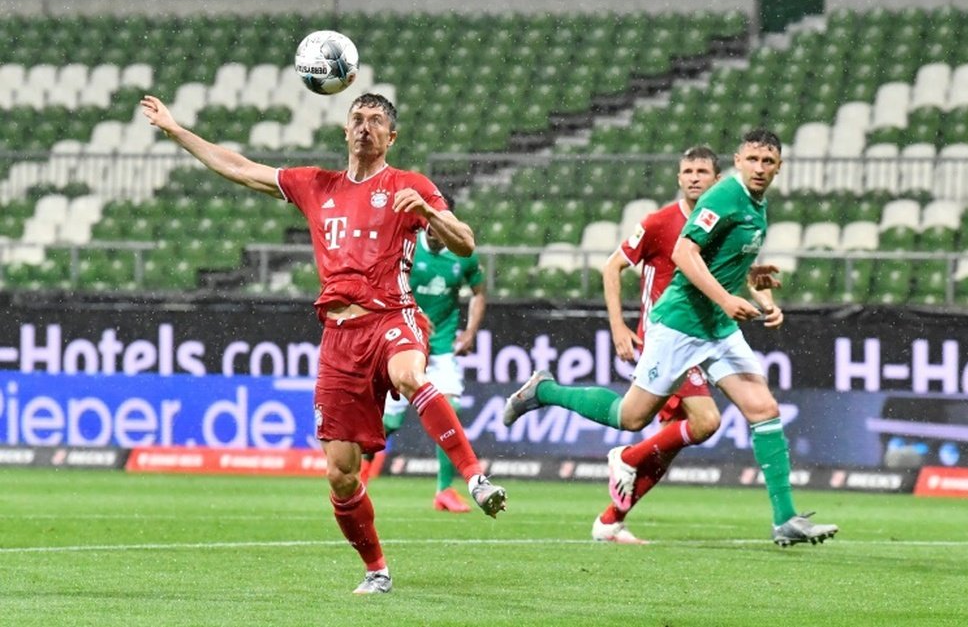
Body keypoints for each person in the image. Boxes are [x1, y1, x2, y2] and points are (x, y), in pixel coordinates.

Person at [139, 92, 506, 595]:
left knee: (410, 374)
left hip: (392, 317)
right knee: (340, 473)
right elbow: (242, 169)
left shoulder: (408, 186)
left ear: (391, 137)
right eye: (357, 118)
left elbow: (465, 241)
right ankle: (377, 569)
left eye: (377, 121)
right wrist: (177, 131)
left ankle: (474, 477)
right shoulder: (317, 185)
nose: (365, 127)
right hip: (339, 338)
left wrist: (429, 211)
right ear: (344, 129)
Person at [505, 129, 838, 547]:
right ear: (737, 162)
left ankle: (784, 518)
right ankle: (547, 391)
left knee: (762, 407)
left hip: (717, 327)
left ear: (779, 167)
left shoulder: (758, 205)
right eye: (752, 160)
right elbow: (684, 253)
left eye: (767, 162)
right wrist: (725, 299)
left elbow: (741, 263)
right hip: (679, 325)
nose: (759, 168)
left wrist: (765, 295)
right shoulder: (722, 198)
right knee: (632, 417)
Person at [592, 145, 722, 544]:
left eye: (703, 170)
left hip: (698, 339)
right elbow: (612, 266)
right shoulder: (660, 223)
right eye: (688, 170)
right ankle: (625, 457)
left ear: (717, 179)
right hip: (666, 340)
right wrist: (618, 327)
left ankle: (610, 522)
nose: (695, 177)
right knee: (706, 422)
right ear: (679, 178)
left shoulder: (723, 224)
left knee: (665, 446)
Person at [372, 216, 488, 513]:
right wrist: (413, 314)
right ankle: (356, 479)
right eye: (430, 226)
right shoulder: (405, 249)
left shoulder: (464, 256)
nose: (435, 233)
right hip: (405, 348)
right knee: (387, 424)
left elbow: (479, 293)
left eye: (442, 225)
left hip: (440, 352)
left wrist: (471, 332)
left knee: (450, 408)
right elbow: (383, 288)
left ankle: (444, 491)